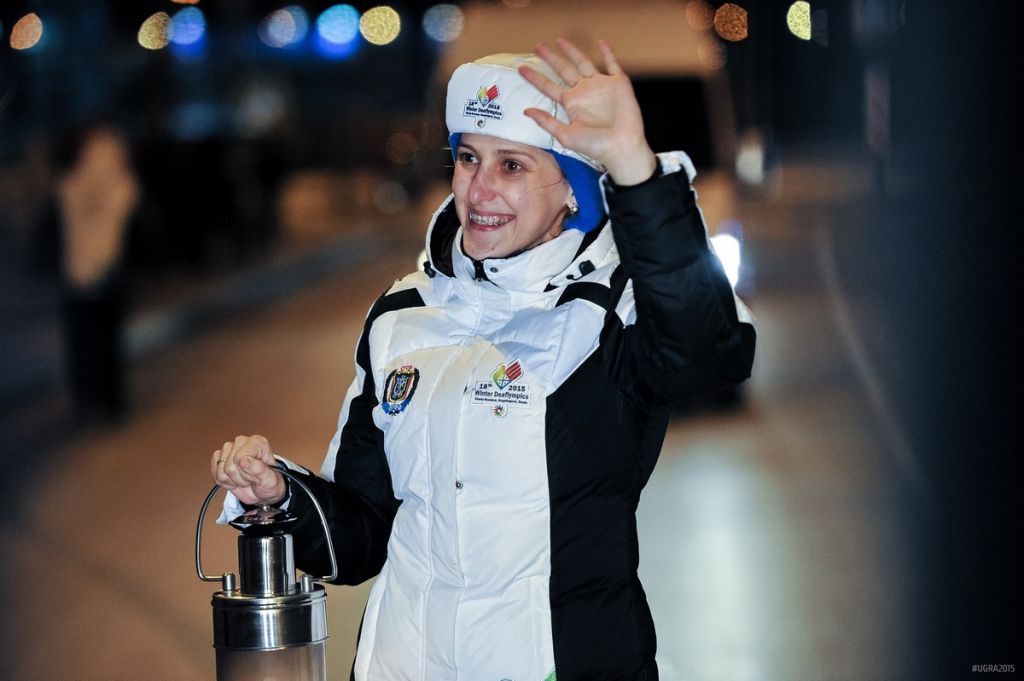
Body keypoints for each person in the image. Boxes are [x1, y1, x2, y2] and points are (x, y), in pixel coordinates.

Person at [211, 39, 755, 681]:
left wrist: (635, 167)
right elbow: (362, 537)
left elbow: (709, 355)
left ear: (572, 190)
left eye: (512, 165)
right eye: (468, 158)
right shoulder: (402, 314)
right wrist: (282, 496)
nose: (480, 188)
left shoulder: (612, 312)